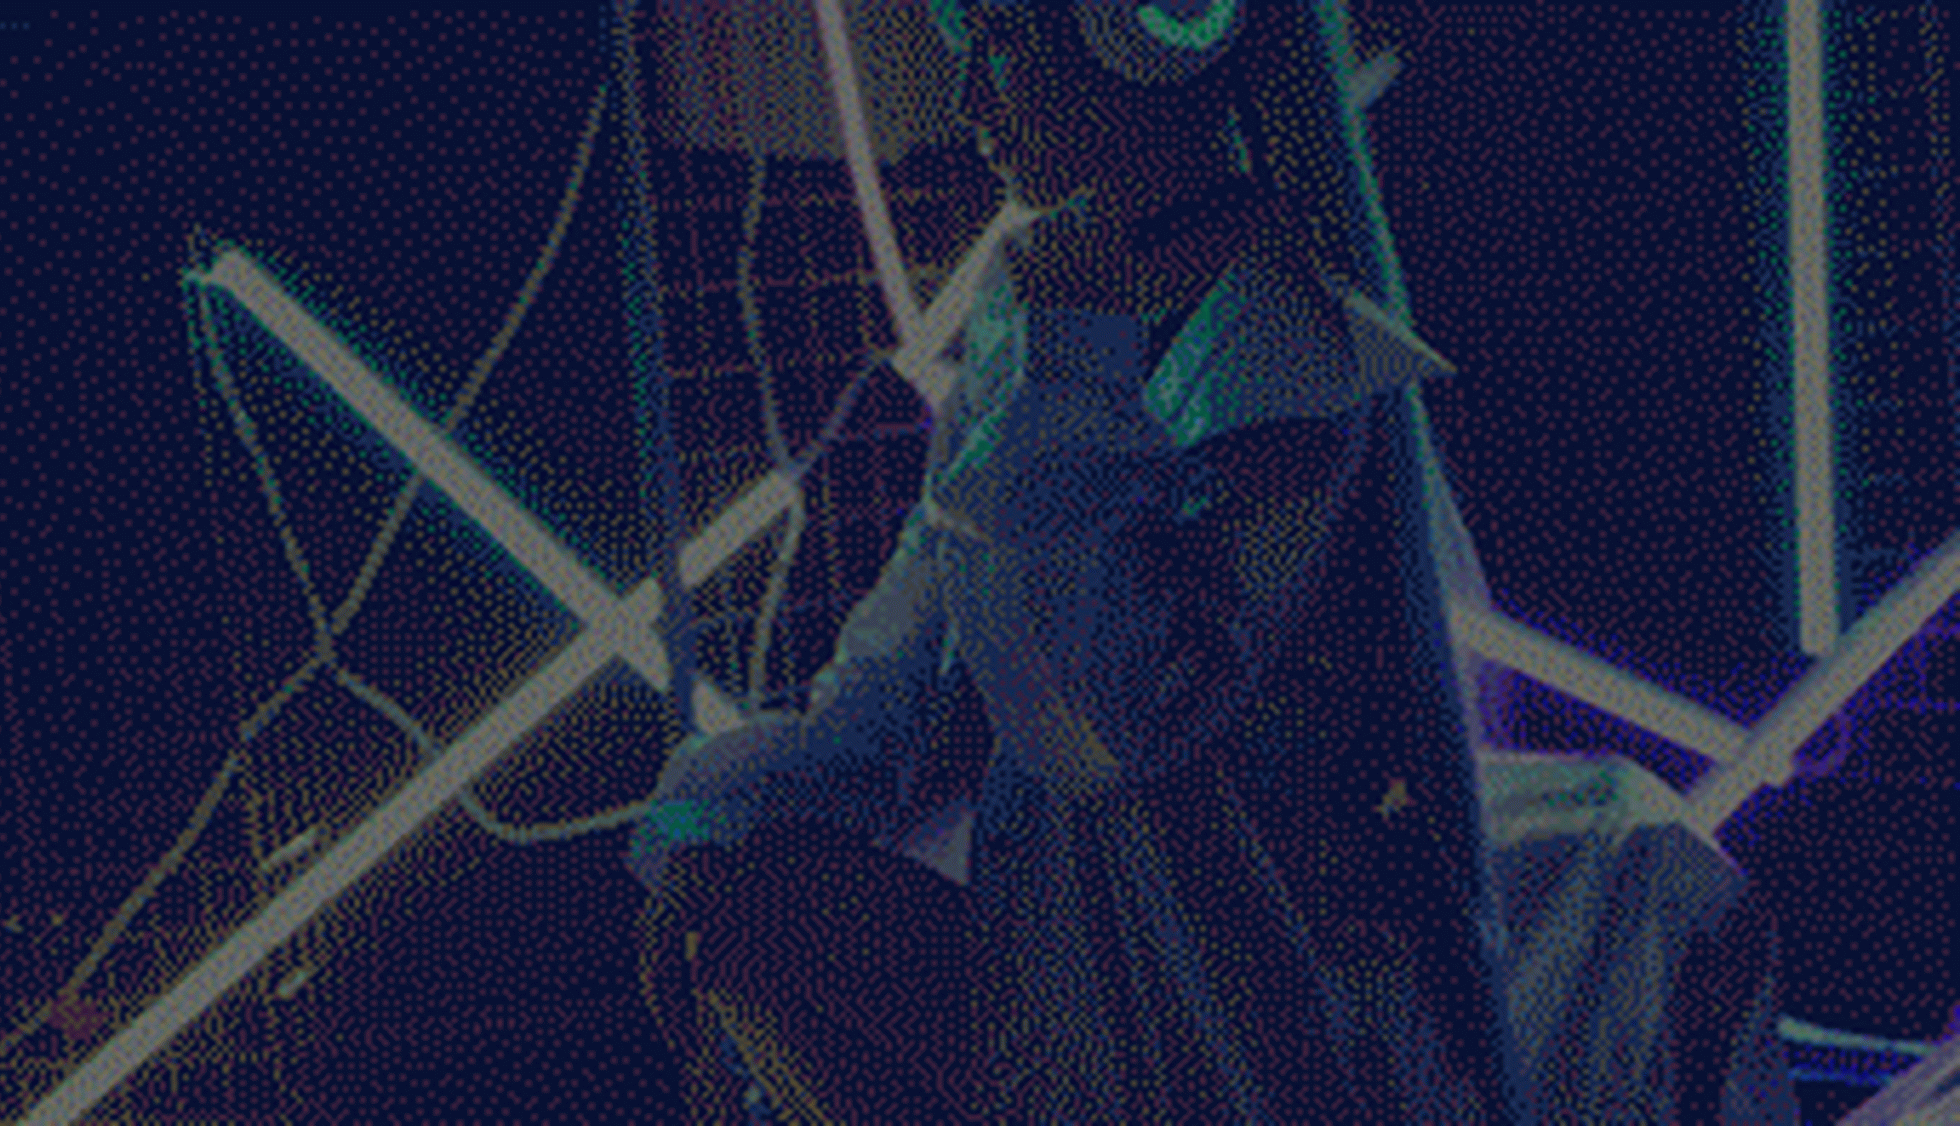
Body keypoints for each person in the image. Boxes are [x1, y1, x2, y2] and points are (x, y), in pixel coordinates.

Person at [625, 1, 1529, 1120]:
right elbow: (898, 675)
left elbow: (1098, 722)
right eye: (965, 49)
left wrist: (1075, 356)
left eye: (1004, 43)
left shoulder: (1292, 330)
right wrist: (715, 841)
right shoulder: (1027, 313)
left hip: (1242, 1033)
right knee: (742, 919)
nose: (970, 99)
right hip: (1058, 988)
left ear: (1146, 30)